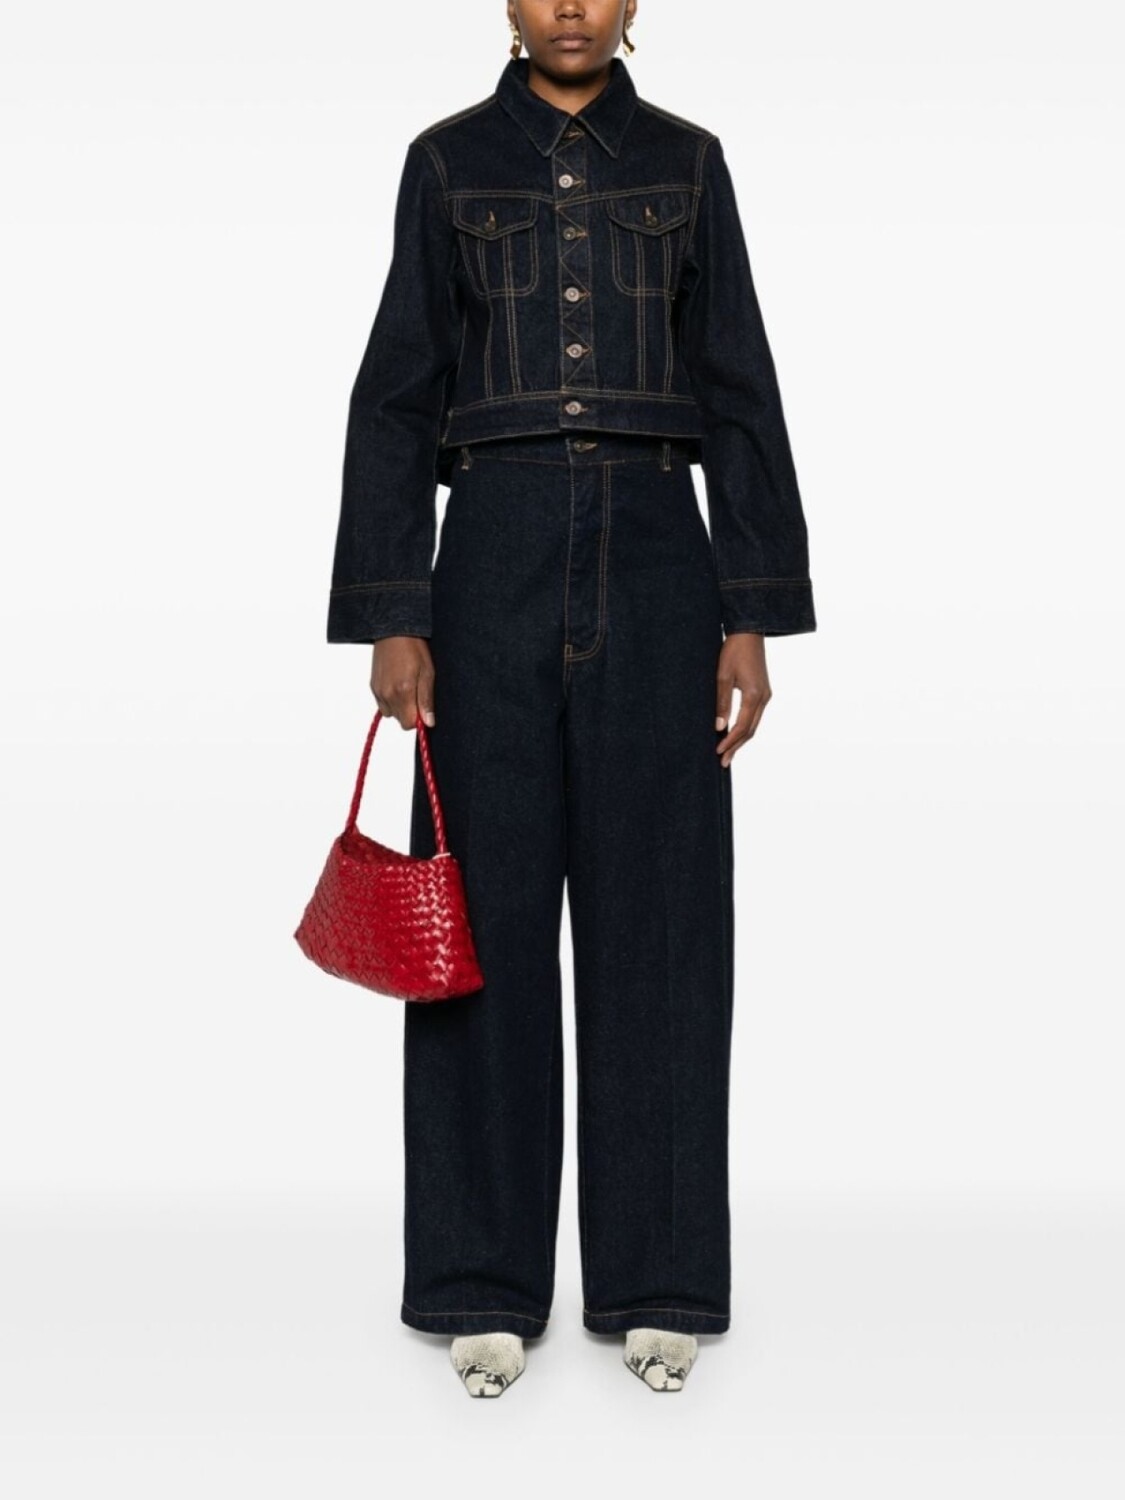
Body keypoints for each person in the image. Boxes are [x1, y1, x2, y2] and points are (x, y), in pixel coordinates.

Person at [325, 0, 816, 1397]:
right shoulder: (445, 161)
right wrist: (395, 612)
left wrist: (749, 611)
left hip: (662, 555)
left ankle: (658, 1281)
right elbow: (394, 397)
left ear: (633, 2)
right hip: (490, 553)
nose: (571, 7)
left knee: (661, 925)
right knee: (475, 928)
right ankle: (481, 1282)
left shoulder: (689, 161)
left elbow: (740, 391)